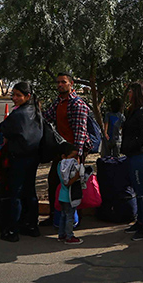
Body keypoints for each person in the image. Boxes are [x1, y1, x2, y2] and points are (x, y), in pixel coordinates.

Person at [42, 73, 94, 227]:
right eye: (58, 82)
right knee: (54, 181)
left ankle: (75, 219)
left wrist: (76, 155)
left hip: (74, 151)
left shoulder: (77, 104)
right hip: (62, 150)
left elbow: (80, 132)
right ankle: (55, 216)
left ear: (71, 84)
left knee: (74, 184)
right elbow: (46, 118)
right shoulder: (58, 102)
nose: (60, 85)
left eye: (63, 82)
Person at [0, 82, 43, 242]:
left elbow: (4, 128)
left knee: (15, 193)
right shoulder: (36, 111)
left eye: (18, 95)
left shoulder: (19, 114)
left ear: (27, 96)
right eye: (13, 95)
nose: (14, 98)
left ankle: (12, 230)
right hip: (33, 156)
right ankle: (32, 225)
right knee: (30, 191)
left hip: (19, 157)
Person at [122, 81, 143, 241]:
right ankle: (140, 221)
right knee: (138, 191)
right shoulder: (134, 111)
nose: (128, 94)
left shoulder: (142, 112)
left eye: (131, 92)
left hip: (140, 156)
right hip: (135, 156)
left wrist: (130, 146)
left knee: (142, 192)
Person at [57, 143, 84, 245]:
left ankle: (61, 234)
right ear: (64, 157)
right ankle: (69, 236)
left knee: (63, 216)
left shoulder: (61, 165)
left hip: (63, 196)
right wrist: (77, 176)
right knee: (69, 217)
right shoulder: (65, 167)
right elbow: (67, 182)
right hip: (68, 197)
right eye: (73, 157)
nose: (75, 160)